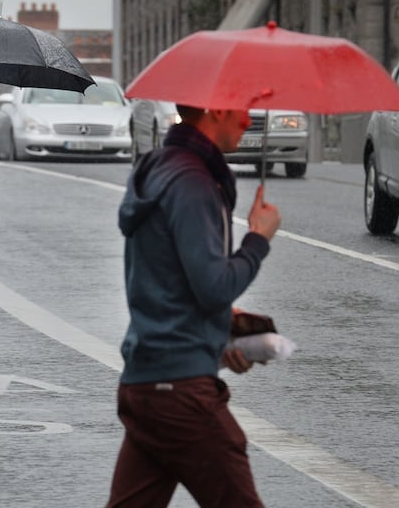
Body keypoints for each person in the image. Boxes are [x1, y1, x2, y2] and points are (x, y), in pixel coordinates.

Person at [106, 104, 282, 507]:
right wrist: (258, 239)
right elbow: (213, 287)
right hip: (181, 393)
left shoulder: (158, 167)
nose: (246, 120)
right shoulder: (194, 183)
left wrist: (220, 336)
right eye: (241, 110)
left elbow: (167, 284)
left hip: (146, 383)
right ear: (216, 109)